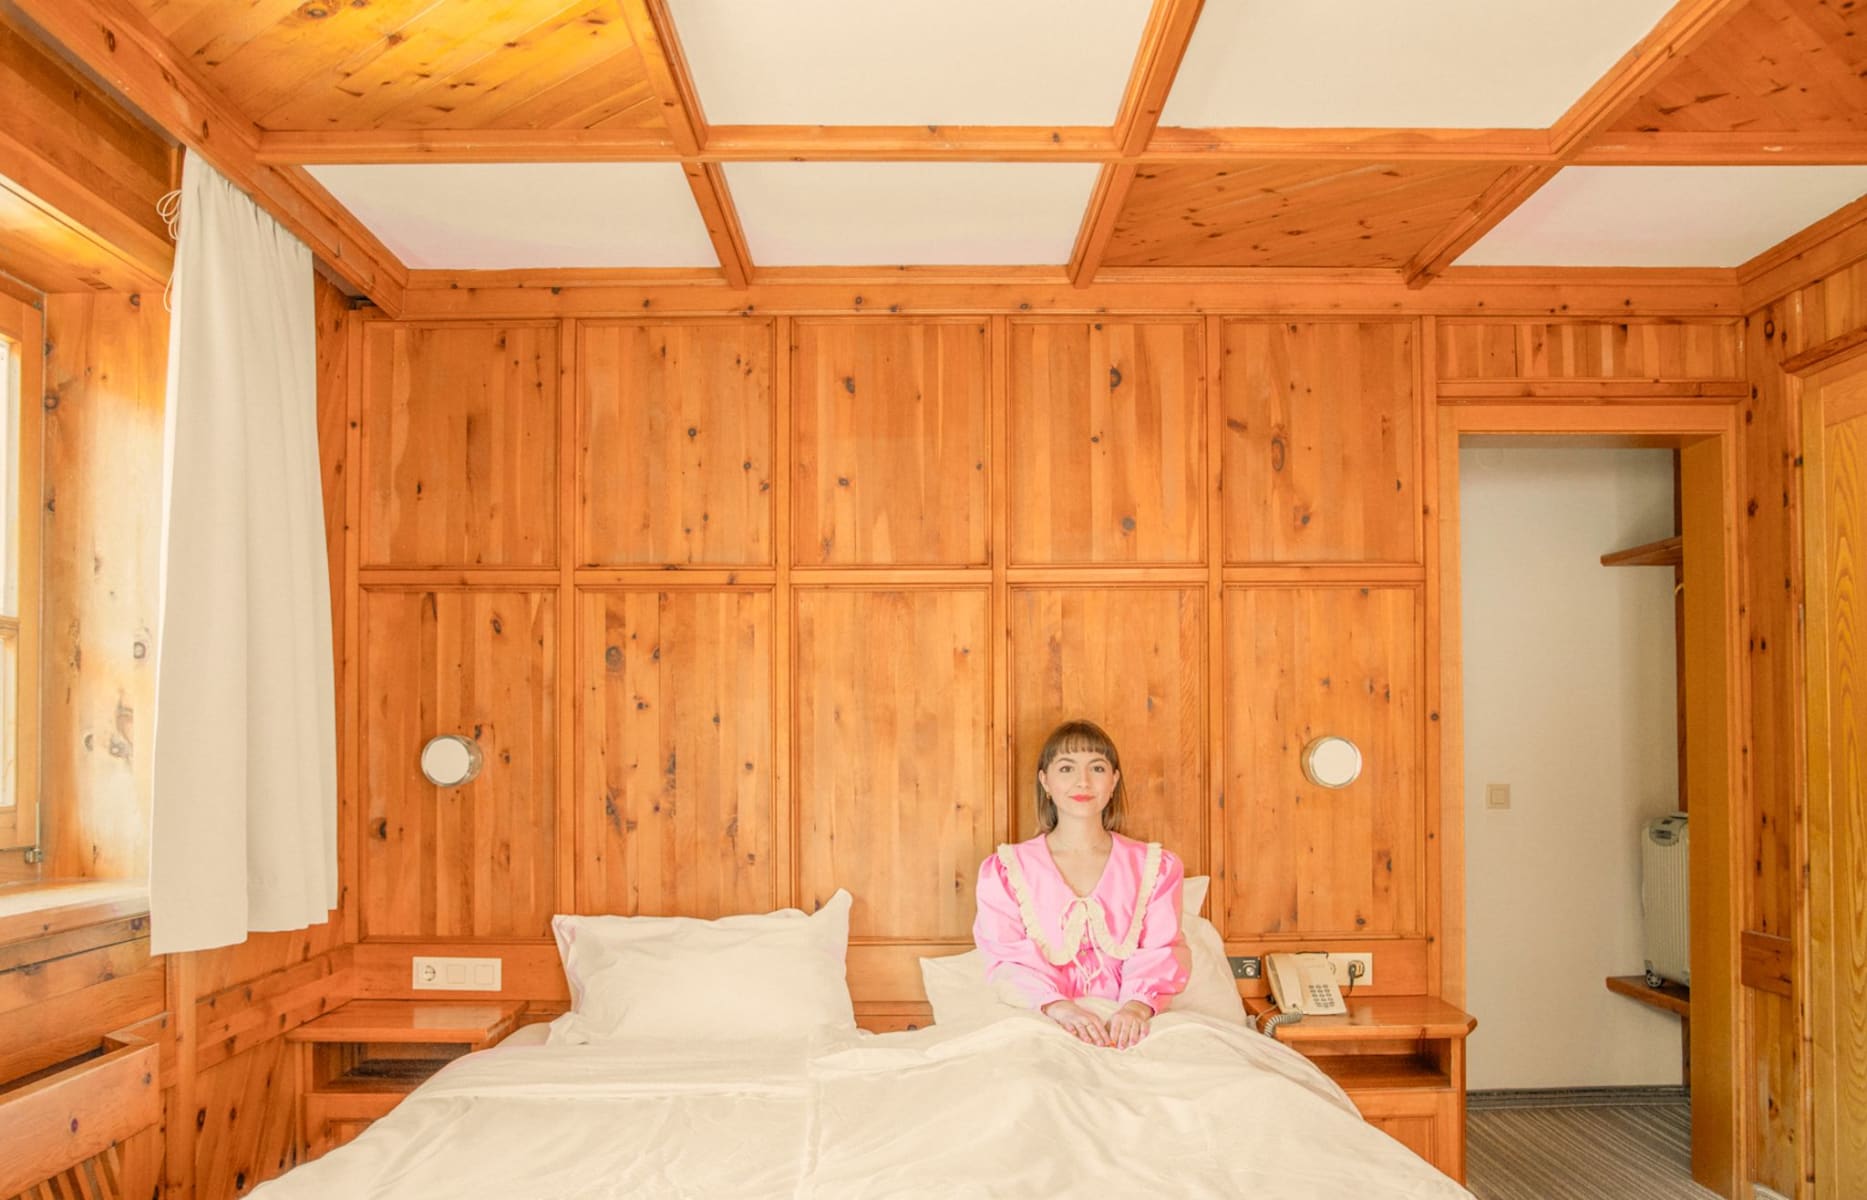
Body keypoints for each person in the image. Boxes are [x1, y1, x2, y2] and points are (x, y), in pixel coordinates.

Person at [973, 719, 1190, 1048]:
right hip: (1042, 1021)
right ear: (1044, 781)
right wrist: (1060, 1008)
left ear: (1114, 780)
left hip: (1136, 1024)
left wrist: (1135, 1008)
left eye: (1098, 768)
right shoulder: (1005, 871)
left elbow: (1162, 950)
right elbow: (1006, 960)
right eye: (1066, 768)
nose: (1083, 781)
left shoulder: (1155, 868)